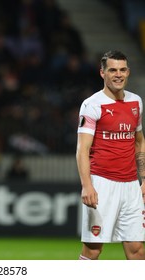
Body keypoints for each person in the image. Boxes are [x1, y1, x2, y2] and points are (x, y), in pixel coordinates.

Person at [76, 50, 145, 260]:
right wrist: (87, 185)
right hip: (102, 183)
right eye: (112, 70)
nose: (118, 74)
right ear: (102, 73)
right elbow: (82, 149)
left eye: (122, 69)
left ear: (128, 72)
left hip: (131, 186)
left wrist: (144, 180)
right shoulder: (92, 104)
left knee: (137, 249)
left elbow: (139, 142)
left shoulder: (136, 102)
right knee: (93, 250)